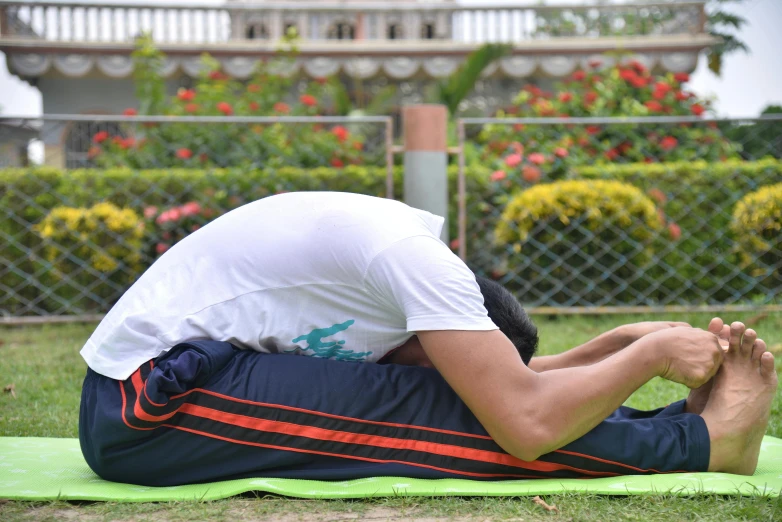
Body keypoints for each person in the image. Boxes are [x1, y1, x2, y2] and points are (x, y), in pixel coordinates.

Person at [78, 192, 777, 486]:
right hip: (147, 403)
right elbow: (525, 421)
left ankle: (676, 427)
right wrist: (650, 355)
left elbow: (506, 376)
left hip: (177, 381)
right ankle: (707, 445)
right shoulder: (418, 268)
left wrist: (608, 350)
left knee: (448, 395)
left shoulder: (411, 272)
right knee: (444, 413)